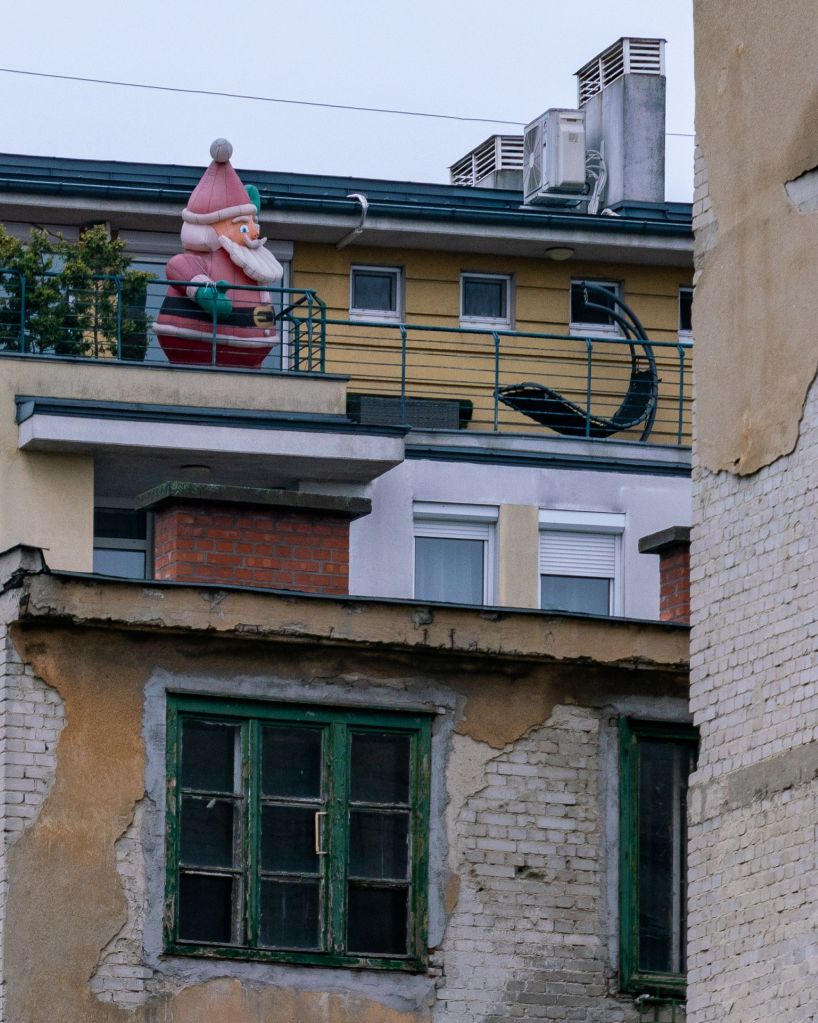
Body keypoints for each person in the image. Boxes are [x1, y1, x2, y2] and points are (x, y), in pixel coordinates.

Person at [153, 138, 284, 368]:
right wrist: (206, 294)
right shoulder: (200, 257)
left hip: (250, 355)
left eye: (254, 225)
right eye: (244, 227)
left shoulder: (247, 261)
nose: (253, 234)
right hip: (194, 343)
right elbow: (178, 266)